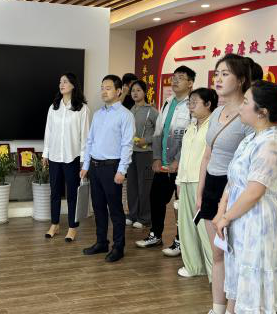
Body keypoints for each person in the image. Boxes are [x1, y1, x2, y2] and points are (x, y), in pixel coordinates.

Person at [212, 80, 277, 314]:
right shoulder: (252, 138)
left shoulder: (272, 143)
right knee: (245, 289)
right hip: (240, 221)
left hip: (257, 223)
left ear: (262, 111)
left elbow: (254, 191)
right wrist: (222, 212)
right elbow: (234, 181)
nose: (241, 106)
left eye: (246, 102)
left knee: (257, 294)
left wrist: (226, 217)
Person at [191, 54, 253, 314]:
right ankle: (217, 311)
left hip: (235, 189)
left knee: (234, 256)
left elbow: (250, 163)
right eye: (216, 73)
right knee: (217, 255)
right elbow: (208, 154)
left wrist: (226, 203)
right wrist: (200, 191)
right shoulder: (216, 112)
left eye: (225, 73)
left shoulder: (249, 114)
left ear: (241, 80)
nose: (218, 78)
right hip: (213, 187)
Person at [135, 66, 194, 254]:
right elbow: (158, 132)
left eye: (180, 78)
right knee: (156, 199)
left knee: (181, 205)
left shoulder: (192, 105)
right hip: (164, 164)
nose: (175, 81)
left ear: (190, 83)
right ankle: (155, 235)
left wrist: (178, 160)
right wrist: (156, 157)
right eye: (174, 77)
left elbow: (191, 137)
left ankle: (181, 241)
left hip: (182, 166)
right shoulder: (168, 102)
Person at [81, 75, 135, 262]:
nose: (104, 91)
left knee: (115, 210)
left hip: (112, 168)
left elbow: (127, 145)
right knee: (98, 207)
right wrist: (86, 165)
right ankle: (101, 242)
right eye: (102, 87)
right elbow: (90, 141)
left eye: (108, 88)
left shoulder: (125, 115)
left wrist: (122, 170)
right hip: (95, 167)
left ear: (119, 91)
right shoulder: (98, 114)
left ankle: (118, 247)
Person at [42, 73, 90, 242]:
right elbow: (48, 131)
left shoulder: (82, 109)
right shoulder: (53, 107)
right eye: (60, 81)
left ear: (73, 85)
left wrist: (84, 160)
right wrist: (45, 153)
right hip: (55, 156)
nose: (61, 84)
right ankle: (54, 224)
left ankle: (72, 227)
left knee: (72, 194)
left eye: (65, 81)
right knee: (55, 192)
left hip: (73, 157)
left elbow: (85, 136)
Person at [176, 88, 218, 278]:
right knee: (186, 227)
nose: (190, 107)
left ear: (208, 104)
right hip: (186, 180)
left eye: (194, 103)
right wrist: (178, 180)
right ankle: (194, 266)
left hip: (202, 182)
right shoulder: (191, 126)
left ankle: (214, 270)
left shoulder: (214, 126)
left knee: (204, 228)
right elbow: (184, 155)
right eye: (189, 103)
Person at [126, 80, 158, 229]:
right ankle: (132, 214)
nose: (135, 93)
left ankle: (145, 217)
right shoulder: (130, 111)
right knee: (131, 185)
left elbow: (160, 133)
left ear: (144, 92)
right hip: (131, 153)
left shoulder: (152, 111)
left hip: (146, 153)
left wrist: (147, 140)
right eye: (133, 90)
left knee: (144, 186)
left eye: (138, 90)